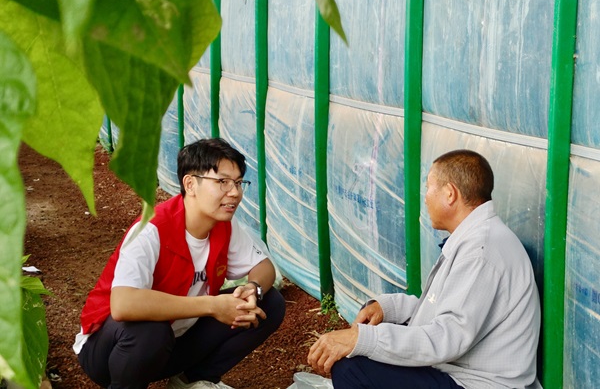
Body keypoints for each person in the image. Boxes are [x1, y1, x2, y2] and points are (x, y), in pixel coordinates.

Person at [308, 149, 542, 389]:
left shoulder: (481, 252)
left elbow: (447, 338)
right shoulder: (477, 238)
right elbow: (441, 310)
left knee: (352, 367)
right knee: (370, 343)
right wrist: (388, 308)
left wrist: (362, 339)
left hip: (476, 383)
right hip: (456, 369)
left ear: (450, 194)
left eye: (429, 188)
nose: (426, 197)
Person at [73, 138, 286, 389]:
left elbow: (263, 267)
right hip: (109, 352)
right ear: (190, 184)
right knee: (151, 331)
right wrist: (212, 306)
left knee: (269, 302)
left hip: (173, 342)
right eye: (223, 182)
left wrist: (253, 288)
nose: (234, 192)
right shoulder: (151, 229)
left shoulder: (223, 224)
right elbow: (123, 305)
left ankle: (190, 381)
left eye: (238, 183)